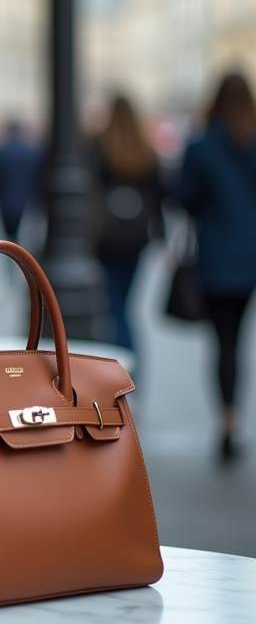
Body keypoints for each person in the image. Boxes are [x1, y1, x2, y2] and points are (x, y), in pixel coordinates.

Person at [179, 72, 256, 463]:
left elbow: (185, 198)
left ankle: (227, 422)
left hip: (215, 258)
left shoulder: (201, 145)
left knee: (223, 343)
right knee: (237, 340)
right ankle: (233, 420)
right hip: (250, 257)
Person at [90, 96, 166, 353]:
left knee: (112, 306)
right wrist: (162, 237)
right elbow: (160, 196)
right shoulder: (145, 150)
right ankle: (131, 370)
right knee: (126, 306)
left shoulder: (99, 147)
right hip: (136, 238)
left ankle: (117, 369)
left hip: (106, 237)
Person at [0, 119, 43, 242]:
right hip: (26, 200)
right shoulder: (31, 152)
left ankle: (10, 253)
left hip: (4, 200)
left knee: (8, 234)